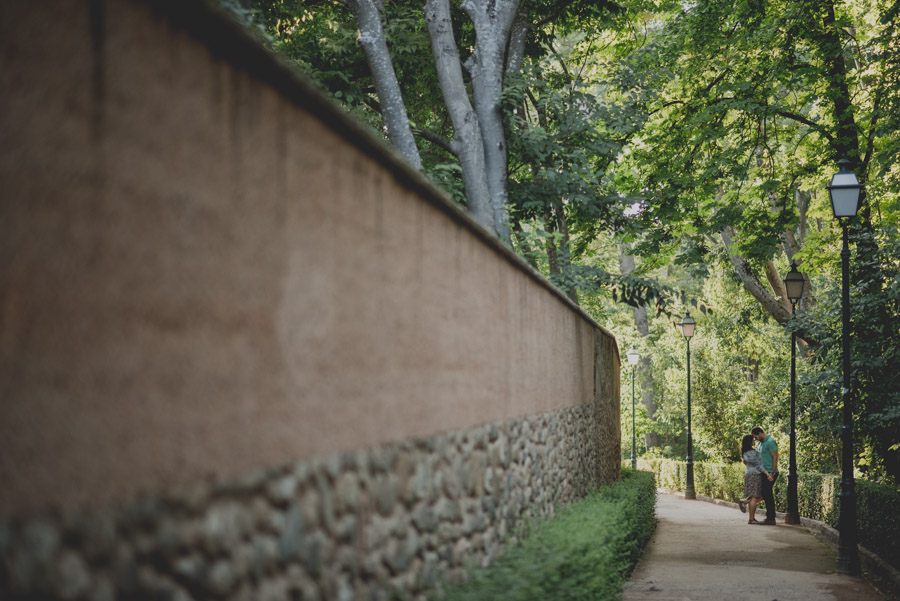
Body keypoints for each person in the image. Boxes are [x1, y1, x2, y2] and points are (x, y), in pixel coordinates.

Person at [737, 434, 772, 524]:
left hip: (749, 474)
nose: (754, 441)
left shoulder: (745, 452)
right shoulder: (753, 453)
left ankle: (745, 502)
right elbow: (759, 466)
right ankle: (751, 519)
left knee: (759, 495)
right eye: (753, 439)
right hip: (755, 475)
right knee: (755, 497)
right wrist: (767, 474)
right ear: (749, 442)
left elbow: (746, 462)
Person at [752, 426, 779, 525]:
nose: (755, 439)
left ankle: (771, 518)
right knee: (765, 494)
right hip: (763, 472)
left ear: (759, 433)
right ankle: (770, 517)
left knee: (768, 495)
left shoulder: (770, 442)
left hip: (770, 472)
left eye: (755, 437)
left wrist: (772, 473)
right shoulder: (761, 443)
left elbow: (775, 458)